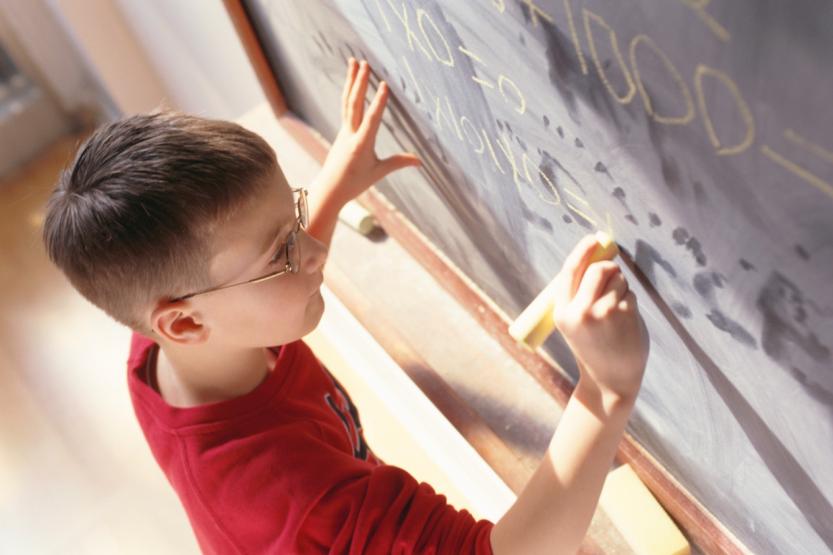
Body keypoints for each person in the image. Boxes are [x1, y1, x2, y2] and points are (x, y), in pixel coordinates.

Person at [42, 58, 649, 554]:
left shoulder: (169, 343)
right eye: (282, 250)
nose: (313, 252)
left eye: (295, 215)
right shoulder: (299, 491)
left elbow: (248, 280)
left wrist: (331, 188)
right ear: (184, 322)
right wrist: (607, 389)